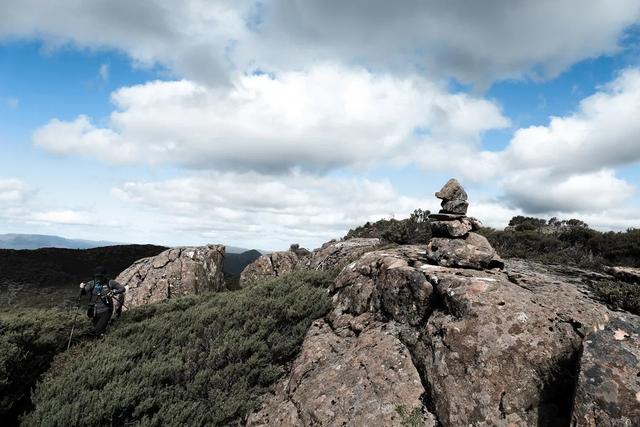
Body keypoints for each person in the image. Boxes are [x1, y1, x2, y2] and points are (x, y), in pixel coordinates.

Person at [80, 266, 126, 337]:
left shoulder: (110, 283)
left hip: (106, 310)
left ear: (104, 276)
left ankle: (105, 341)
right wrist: (82, 288)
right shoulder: (92, 283)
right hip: (94, 311)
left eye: (100, 276)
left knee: (98, 330)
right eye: (97, 277)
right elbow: (83, 293)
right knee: (95, 330)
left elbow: (122, 289)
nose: (98, 278)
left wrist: (114, 292)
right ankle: (103, 340)